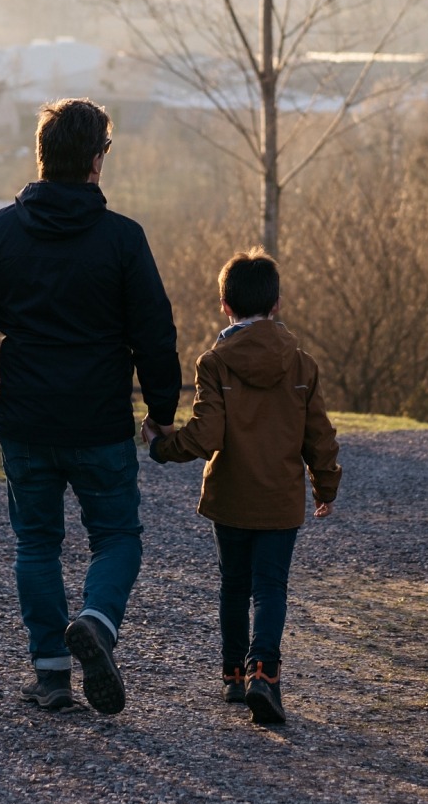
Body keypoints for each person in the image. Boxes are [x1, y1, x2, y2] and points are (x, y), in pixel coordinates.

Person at [0, 98, 181, 715]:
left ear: (41, 156)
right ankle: (97, 624)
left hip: (26, 420)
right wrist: (161, 409)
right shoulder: (124, 240)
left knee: (36, 544)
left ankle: (51, 673)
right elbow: (155, 333)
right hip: (100, 420)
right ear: (98, 160)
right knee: (117, 537)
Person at [145, 249, 340, 725]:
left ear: (224, 305)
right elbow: (320, 434)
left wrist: (160, 445)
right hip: (280, 498)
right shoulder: (302, 365)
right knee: (270, 588)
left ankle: (233, 674)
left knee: (233, 586)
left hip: (230, 497)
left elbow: (206, 433)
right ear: (276, 304)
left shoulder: (214, 362)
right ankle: (265, 675)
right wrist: (325, 486)